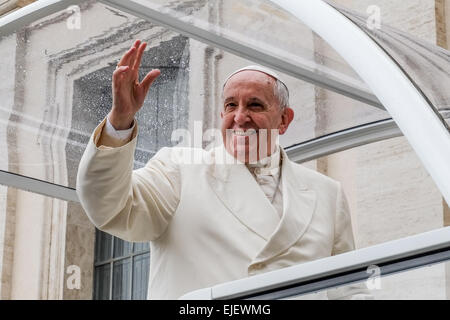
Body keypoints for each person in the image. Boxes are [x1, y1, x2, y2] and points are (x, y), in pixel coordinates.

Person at [76, 40, 360, 299]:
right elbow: (109, 207)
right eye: (230, 105)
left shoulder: (328, 193)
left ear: (284, 119)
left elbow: (349, 290)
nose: (240, 117)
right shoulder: (179, 169)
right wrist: (121, 119)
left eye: (255, 105)